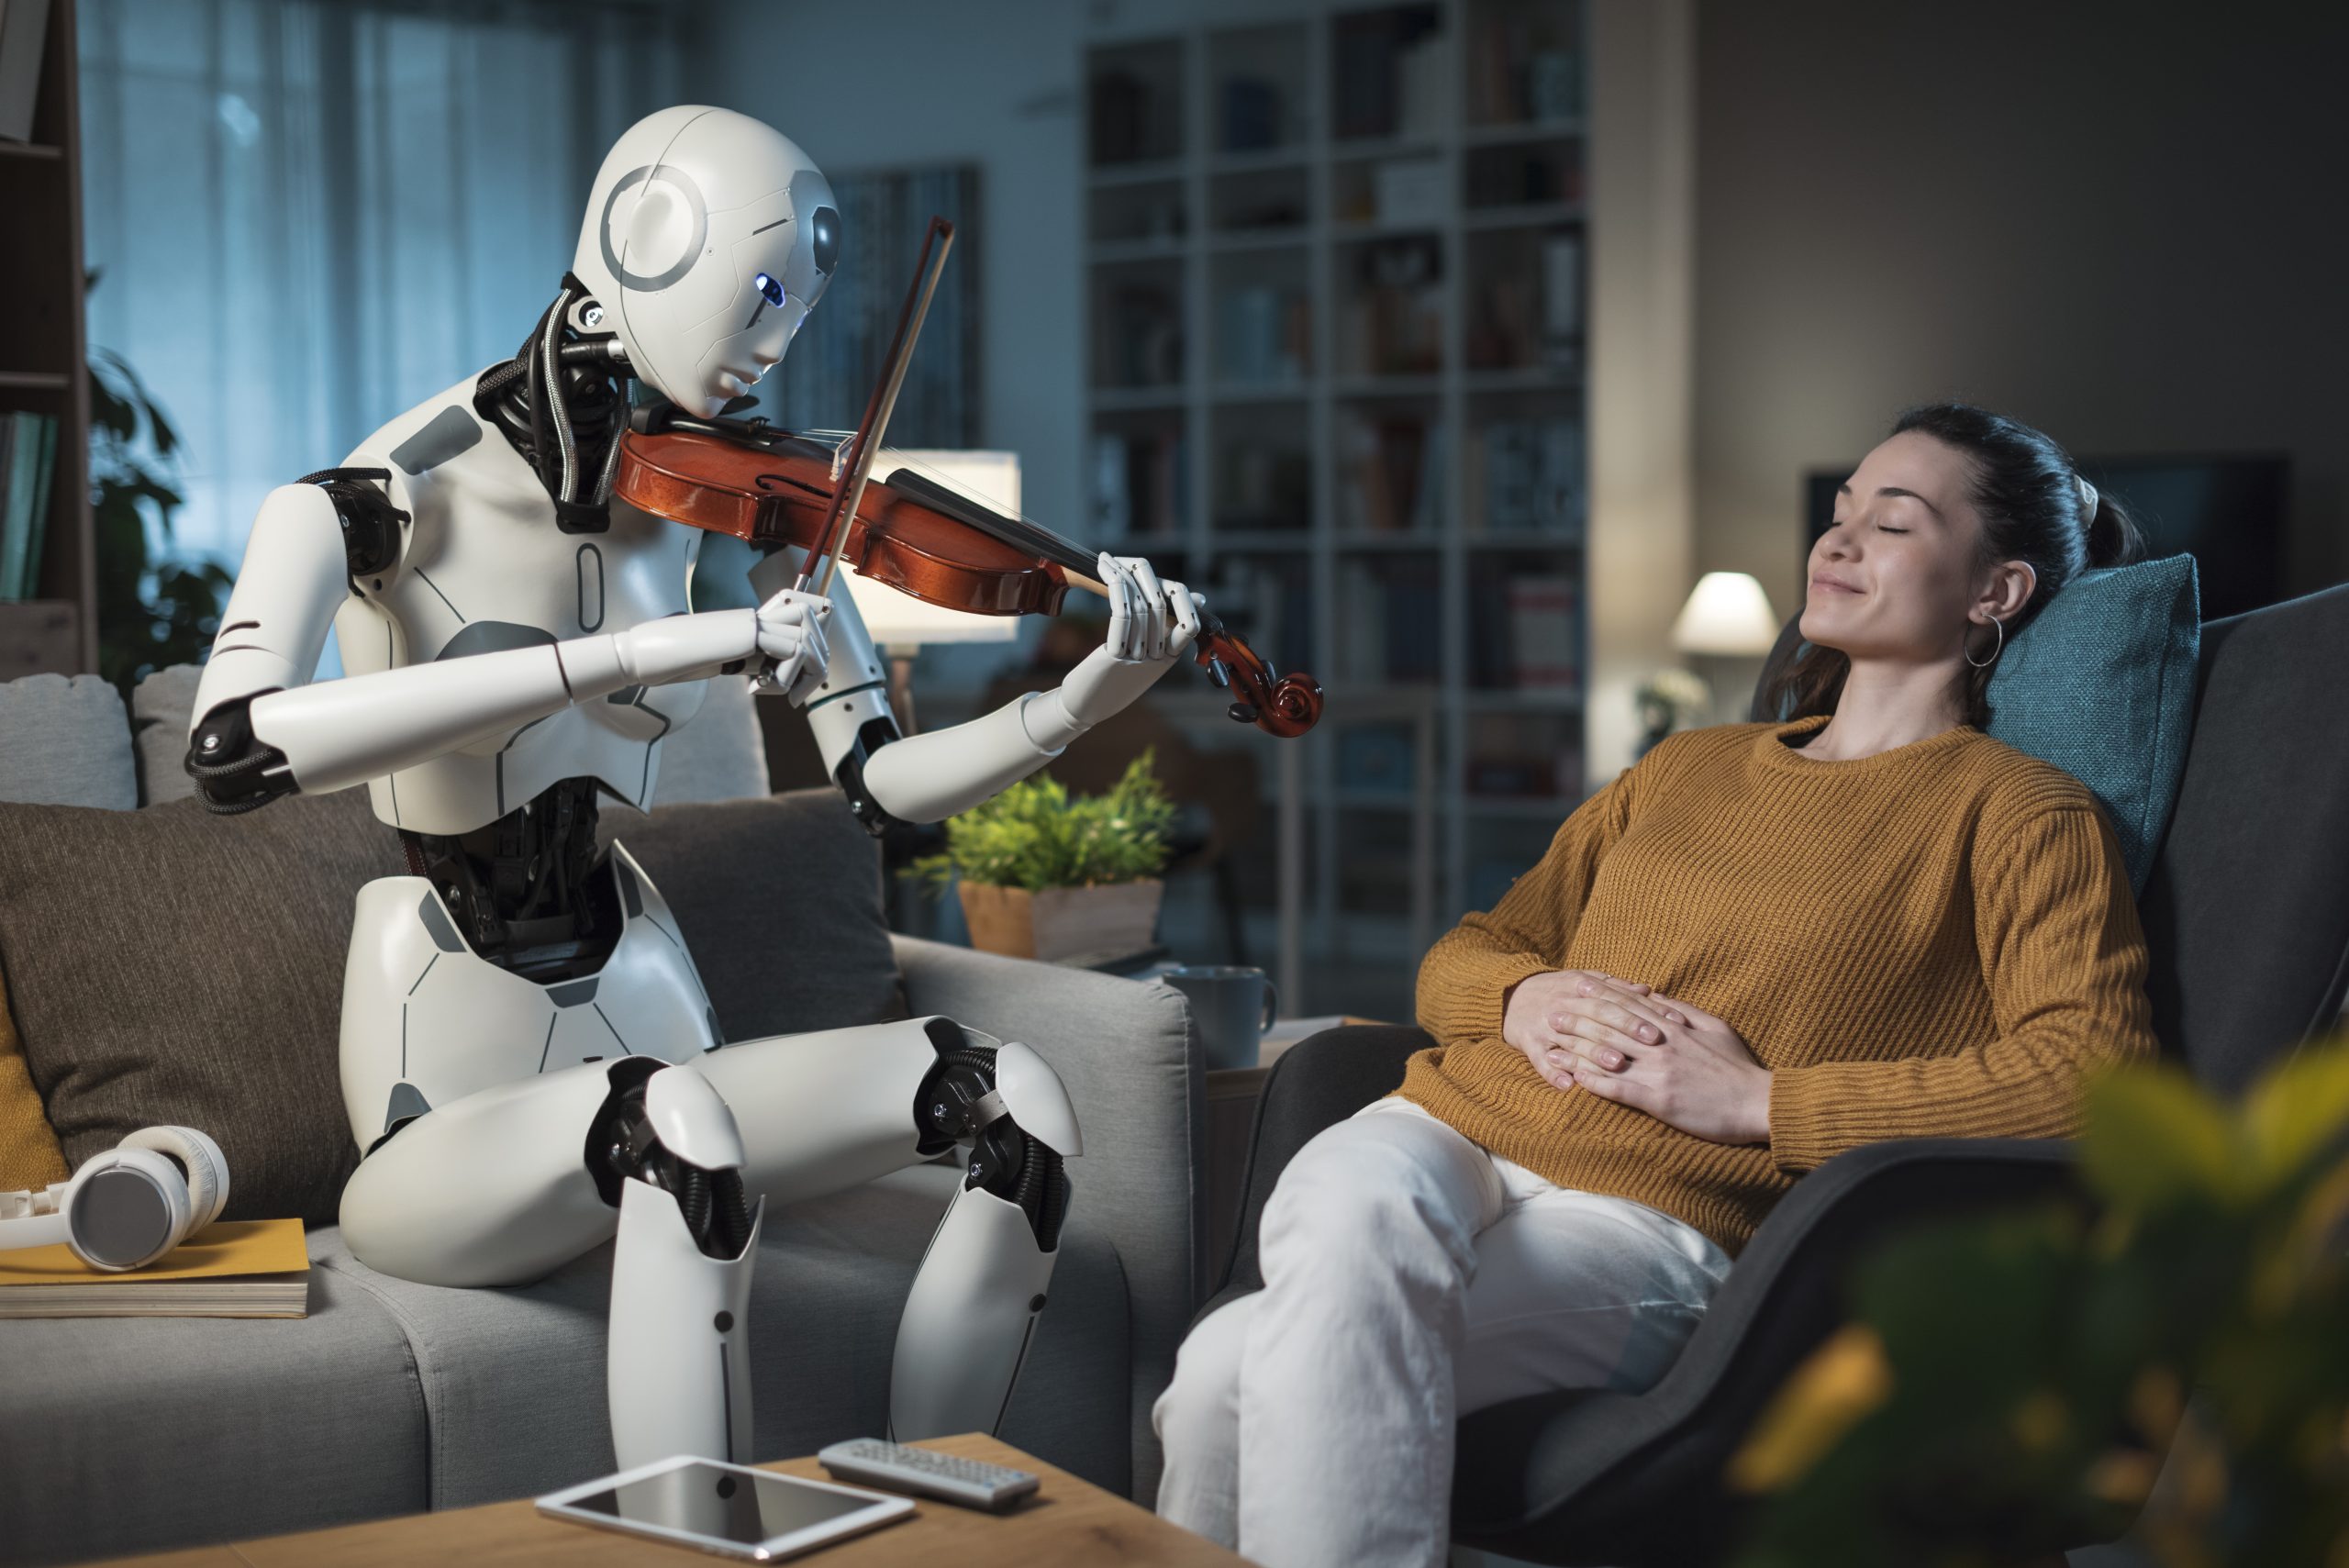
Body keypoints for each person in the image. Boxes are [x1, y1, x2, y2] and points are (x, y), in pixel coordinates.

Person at [1152, 402, 2165, 1566]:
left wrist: (1758, 1103)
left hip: (1653, 1217)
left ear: (1995, 591)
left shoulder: (2018, 812)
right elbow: (1470, 948)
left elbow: (2089, 1081)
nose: (1834, 544)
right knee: (1346, 1209)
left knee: (1224, 1374)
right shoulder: (1687, 764)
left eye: (1890, 524)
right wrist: (1522, 999)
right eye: (1838, 516)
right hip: (1447, 1124)